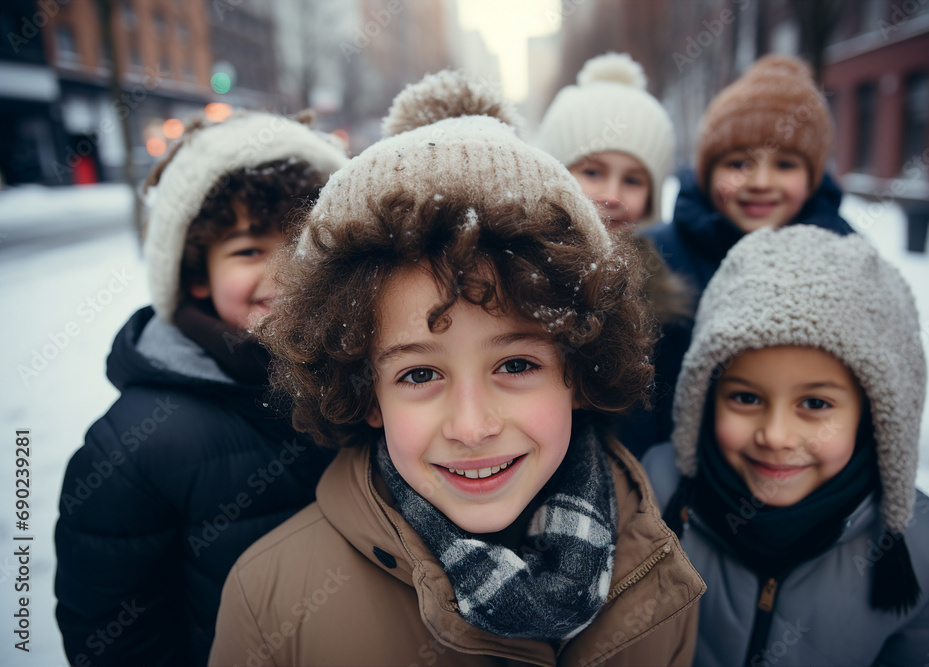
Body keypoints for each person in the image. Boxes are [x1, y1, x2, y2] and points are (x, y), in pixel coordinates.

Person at [208, 70, 704, 667]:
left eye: (516, 364)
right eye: (419, 374)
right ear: (365, 392)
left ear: (580, 368)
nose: (472, 427)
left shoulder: (661, 575)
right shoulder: (271, 603)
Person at [55, 112, 350, 666]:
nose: (285, 271)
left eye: (303, 241)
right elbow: (117, 638)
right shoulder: (135, 448)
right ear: (196, 274)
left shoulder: (371, 383)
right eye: (247, 250)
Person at [642, 225, 929, 666]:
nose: (775, 436)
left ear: (876, 416)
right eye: (746, 397)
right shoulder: (648, 498)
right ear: (704, 396)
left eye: (815, 403)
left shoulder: (927, 550)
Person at [643, 54, 855, 452]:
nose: (760, 182)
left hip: (792, 466)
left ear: (812, 178)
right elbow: (635, 393)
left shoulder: (845, 258)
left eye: (785, 164)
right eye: (739, 163)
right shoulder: (659, 256)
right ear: (707, 173)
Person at [535, 52, 691, 458]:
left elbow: (658, 416)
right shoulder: (526, 272)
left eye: (634, 179)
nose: (612, 194)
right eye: (592, 171)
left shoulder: (661, 299)